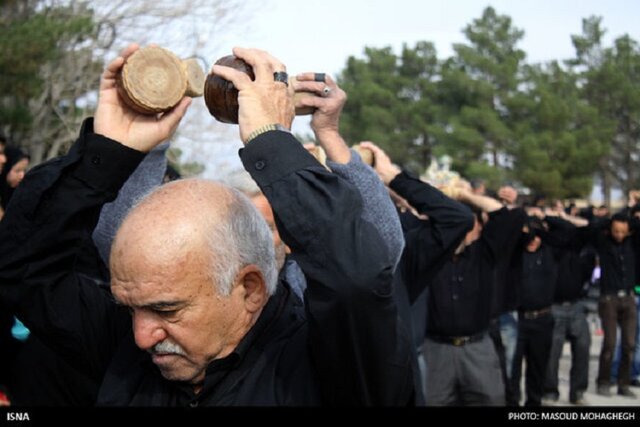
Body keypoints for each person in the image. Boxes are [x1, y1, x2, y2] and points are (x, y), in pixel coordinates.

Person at [0, 45, 415, 406]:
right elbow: (25, 266)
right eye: (130, 308)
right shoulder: (127, 351)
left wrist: (272, 140)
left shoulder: (326, 367)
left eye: (167, 309)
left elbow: (358, 279)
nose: (142, 336)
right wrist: (108, 151)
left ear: (249, 288)